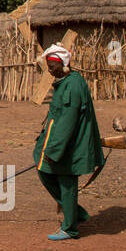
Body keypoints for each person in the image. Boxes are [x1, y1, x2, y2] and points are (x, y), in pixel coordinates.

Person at [35, 43, 105, 241]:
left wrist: (55, 149)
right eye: (48, 65)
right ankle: (77, 213)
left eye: (52, 66)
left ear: (64, 65)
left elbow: (67, 121)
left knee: (66, 182)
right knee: (44, 172)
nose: (50, 69)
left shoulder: (73, 86)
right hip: (60, 142)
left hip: (69, 146)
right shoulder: (66, 82)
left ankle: (70, 228)